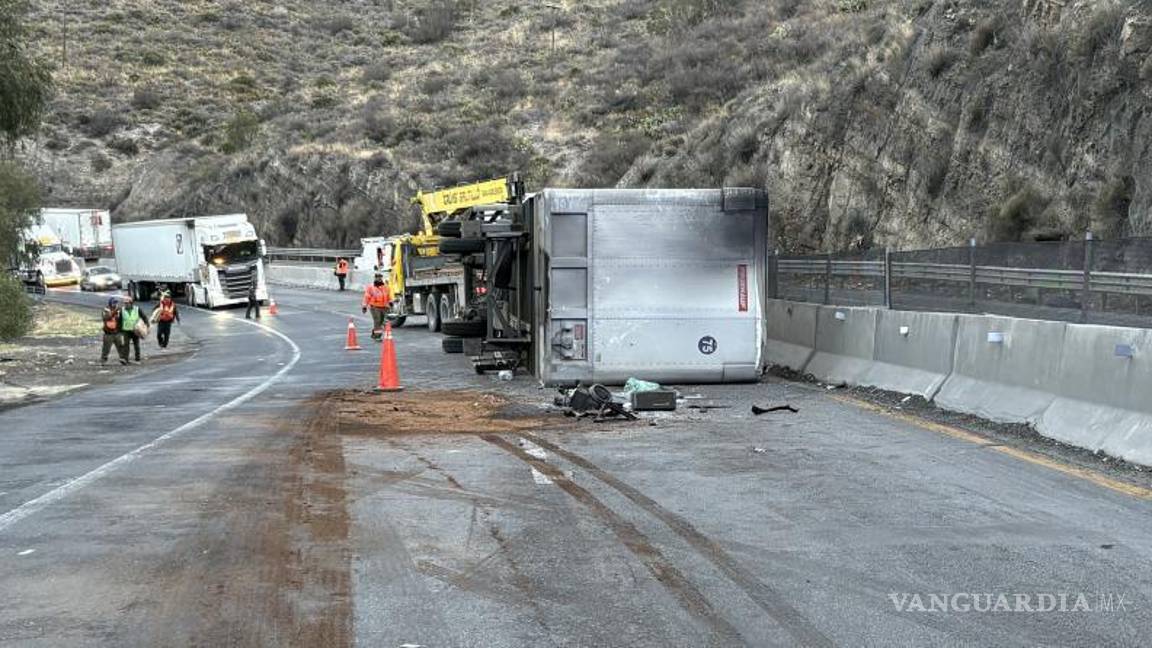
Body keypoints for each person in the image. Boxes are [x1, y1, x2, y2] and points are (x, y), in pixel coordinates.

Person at [361, 272, 392, 340]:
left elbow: (388, 296)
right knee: (377, 320)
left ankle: (374, 332)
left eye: (380, 277)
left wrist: (390, 302)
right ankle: (377, 336)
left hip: (383, 307)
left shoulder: (385, 287)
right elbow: (367, 297)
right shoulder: (371, 287)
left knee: (381, 321)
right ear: (375, 278)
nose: (379, 278)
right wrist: (364, 306)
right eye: (377, 277)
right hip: (374, 307)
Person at [119, 295, 148, 363]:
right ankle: (125, 359)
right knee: (126, 345)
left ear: (131, 303)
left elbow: (144, 317)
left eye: (127, 303)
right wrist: (119, 330)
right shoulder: (122, 310)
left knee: (136, 344)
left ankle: (137, 358)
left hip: (135, 330)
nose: (126, 304)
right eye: (125, 303)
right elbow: (119, 321)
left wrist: (147, 325)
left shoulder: (137, 309)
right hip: (126, 330)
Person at [100, 297, 127, 365]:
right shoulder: (106, 310)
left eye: (116, 302)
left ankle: (123, 359)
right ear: (110, 303)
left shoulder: (119, 310)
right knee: (106, 348)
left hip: (117, 332)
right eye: (114, 302)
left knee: (121, 346)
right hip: (108, 333)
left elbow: (123, 319)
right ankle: (103, 360)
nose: (115, 304)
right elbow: (106, 318)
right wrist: (114, 312)